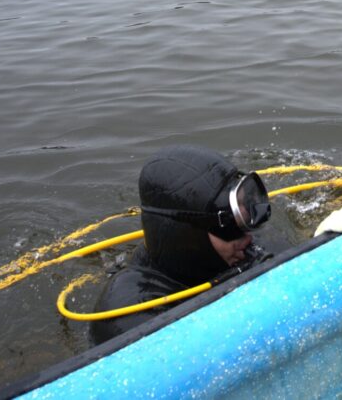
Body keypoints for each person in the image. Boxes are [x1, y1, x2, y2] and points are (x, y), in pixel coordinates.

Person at [90, 145, 271, 345]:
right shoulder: (129, 316)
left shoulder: (237, 250)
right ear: (189, 236)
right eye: (230, 229)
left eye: (245, 220)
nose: (248, 239)